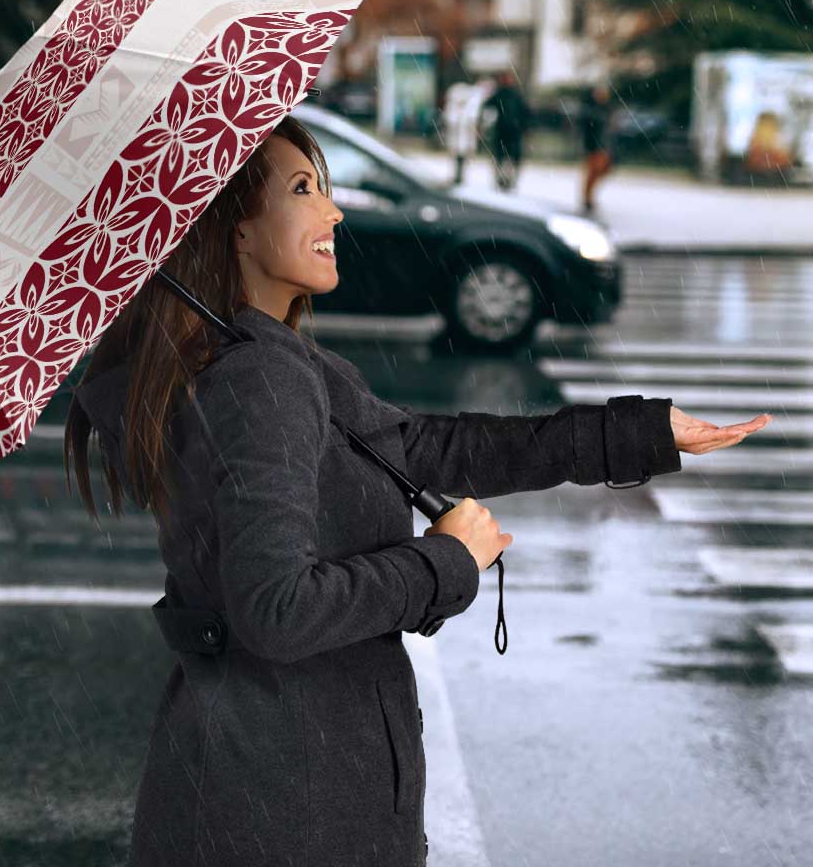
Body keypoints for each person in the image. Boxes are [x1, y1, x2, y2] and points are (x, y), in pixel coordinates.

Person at [65, 113, 767, 867]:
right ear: (234, 228)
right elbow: (276, 611)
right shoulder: (258, 379)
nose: (333, 211)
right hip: (288, 805)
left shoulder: (265, 361)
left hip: (266, 784)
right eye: (303, 189)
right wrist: (444, 562)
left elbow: (429, 447)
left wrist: (638, 434)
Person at [481, 69, 531, 192]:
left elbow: (525, 113)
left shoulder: (514, 95)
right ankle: (502, 180)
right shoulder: (501, 94)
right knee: (502, 157)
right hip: (504, 131)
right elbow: (487, 107)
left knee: (509, 158)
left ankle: (508, 180)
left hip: (512, 131)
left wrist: (524, 127)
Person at [579, 82, 615, 213]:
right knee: (593, 172)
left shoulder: (606, 109)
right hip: (594, 146)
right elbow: (588, 129)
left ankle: (588, 197)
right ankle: (587, 198)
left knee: (601, 171)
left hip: (603, 146)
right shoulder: (591, 110)